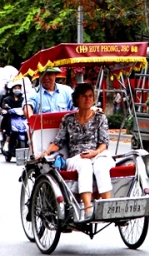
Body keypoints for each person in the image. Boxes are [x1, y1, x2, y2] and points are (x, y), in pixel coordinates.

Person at [38, 83, 115, 218]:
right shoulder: (68, 119)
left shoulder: (100, 118)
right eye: (84, 96)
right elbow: (58, 141)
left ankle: (107, 207)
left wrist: (95, 153)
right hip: (77, 158)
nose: (88, 99)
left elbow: (104, 143)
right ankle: (88, 209)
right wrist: (46, 152)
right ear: (77, 99)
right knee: (85, 165)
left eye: (90, 96)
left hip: (98, 154)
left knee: (101, 166)